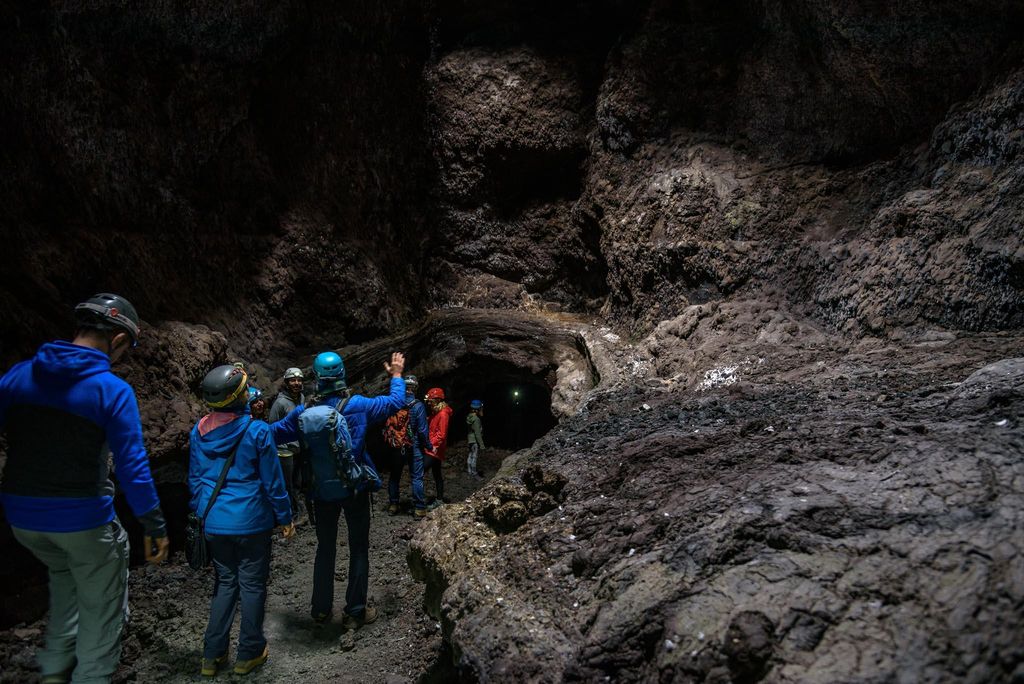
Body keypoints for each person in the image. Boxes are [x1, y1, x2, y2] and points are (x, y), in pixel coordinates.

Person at [0, 293, 169, 684]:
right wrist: (155, 524)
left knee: (65, 579)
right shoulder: (110, 390)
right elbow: (132, 467)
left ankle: (54, 670)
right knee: (102, 601)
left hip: (23, 521)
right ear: (119, 340)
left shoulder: (19, 375)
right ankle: (92, 676)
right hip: (81, 519)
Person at [270, 350, 406, 629]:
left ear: (316, 379)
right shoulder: (357, 405)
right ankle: (355, 611)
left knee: (325, 548)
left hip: (320, 492)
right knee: (358, 548)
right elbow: (396, 402)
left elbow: (273, 434)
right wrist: (396, 375)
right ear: (342, 375)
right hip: (353, 488)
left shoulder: (303, 412)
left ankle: (320, 610)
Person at [190, 365, 294, 677]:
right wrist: (285, 517)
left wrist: (201, 517)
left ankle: (212, 655)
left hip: (214, 523)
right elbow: (273, 482)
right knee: (251, 586)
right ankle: (248, 653)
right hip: (251, 523)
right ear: (238, 397)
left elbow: (195, 481)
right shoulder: (257, 431)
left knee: (225, 584)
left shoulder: (199, 431)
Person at [384, 375, 432, 518]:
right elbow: (423, 430)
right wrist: (428, 446)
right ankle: (419, 509)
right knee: (417, 477)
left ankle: (393, 505)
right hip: (414, 446)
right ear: (415, 388)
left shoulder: (394, 403)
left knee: (394, 476)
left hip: (396, 446)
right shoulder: (418, 406)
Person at [268, 368, 305, 523]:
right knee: (287, 485)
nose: (296, 383)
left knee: (297, 483)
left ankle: (296, 512)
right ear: (287, 383)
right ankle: (288, 517)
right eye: (292, 380)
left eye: (299, 380)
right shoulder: (280, 403)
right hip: (284, 451)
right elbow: (272, 427)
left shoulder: (301, 398)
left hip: (298, 448)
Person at [423, 388, 453, 510]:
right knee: (437, 474)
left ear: (436, 400)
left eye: (430, 400)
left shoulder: (443, 414)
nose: (428, 403)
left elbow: (441, 434)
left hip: (434, 449)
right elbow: (430, 422)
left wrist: (431, 445)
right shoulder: (436, 412)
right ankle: (439, 500)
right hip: (433, 448)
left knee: (420, 472)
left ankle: (419, 502)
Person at [466, 399, 485, 478]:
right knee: (474, 457)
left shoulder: (469, 417)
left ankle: (469, 471)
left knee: (470, 455)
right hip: (475, 441)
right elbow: (477, 433)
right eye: (481, 408)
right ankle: (474, 473)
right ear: (478, 409)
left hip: (470, 439)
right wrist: (482, 445)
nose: (482, 409)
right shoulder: (476, 419)